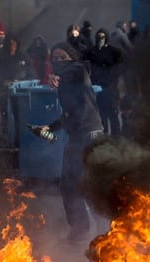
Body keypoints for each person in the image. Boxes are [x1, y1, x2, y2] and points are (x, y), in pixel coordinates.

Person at [38, 42, 104, 242]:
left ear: (71, 57)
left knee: (88, 183)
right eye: (54, 59)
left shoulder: (77, 70)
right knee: (69, 184)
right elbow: (70, 113)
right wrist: (51, 128)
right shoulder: (67, 81)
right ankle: (80, 229)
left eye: (62, 58)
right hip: (77, 135)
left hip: (88, 134)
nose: (58, 62)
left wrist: (56, 75)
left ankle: (106, 229)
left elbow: (73, 70)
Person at [84, 28, 124, 135]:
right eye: (99, 37)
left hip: (111, 86)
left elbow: (123, 62)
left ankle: (116, 137)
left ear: (106, 37)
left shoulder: (114, 51)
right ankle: (103, 136)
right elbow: (81, 59)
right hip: (97, 87)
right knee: (101, 114)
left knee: (113, 113)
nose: (100, 39)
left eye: (102, 37)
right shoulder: (92, 51)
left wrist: (115, 74)